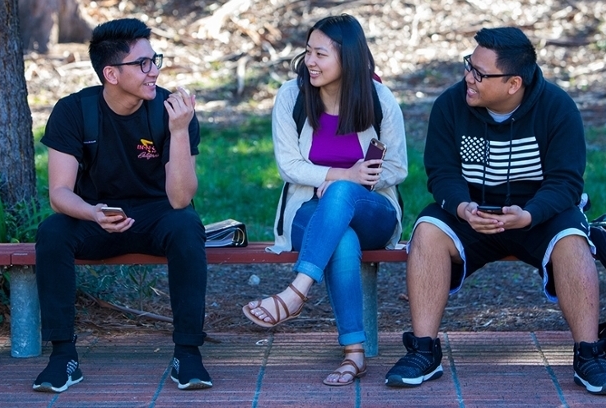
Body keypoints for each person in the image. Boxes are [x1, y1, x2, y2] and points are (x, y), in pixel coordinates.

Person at [384, 27, 606, 395]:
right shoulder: (451, 105)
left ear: (513, 83)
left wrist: (529, 215)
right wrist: (462, 208)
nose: (469, 77)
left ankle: (589, 355)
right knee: (428, 228)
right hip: (471, 212)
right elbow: (442, 173)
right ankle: (423, 350)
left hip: (537, 214)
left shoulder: (557, 108)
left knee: (573, 239)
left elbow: (565, 183)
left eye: (480, 73)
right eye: (469, 65)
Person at [33, 18, 212, 392]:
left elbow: (180, 198)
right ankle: (62, 356)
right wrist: (93, 212)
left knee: (186, 225)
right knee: (52, 232)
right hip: (98, 215)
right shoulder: (74, 111)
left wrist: (178, 131)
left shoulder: (172, 110)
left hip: (157, 215)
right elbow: (59, 193)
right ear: (111, 73)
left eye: (155, 60)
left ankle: (188, 354)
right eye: (143, 63)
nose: (155, 71)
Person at [242, 14, 408, 386]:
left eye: (320, 54)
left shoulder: (379, 98)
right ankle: (354, 354)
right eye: (308, 52)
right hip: (308, 213)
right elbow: (289, 165)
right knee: (341, 238)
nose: (310, 62)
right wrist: (338, 175)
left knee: (343, 196)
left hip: (372, 212)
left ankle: (295, 292)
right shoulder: (292, 96)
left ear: (347, 59)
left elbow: (398, 168)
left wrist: (350, 182)